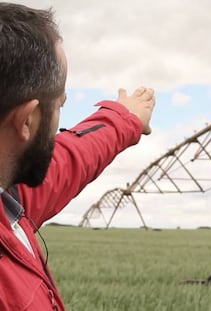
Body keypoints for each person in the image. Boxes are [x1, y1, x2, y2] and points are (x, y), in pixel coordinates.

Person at [0, 3, 155, 310]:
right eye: (59, 105)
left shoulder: (9, 198)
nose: (58, 117)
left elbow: (68, 161)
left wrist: (124, 119)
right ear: (27, 120)